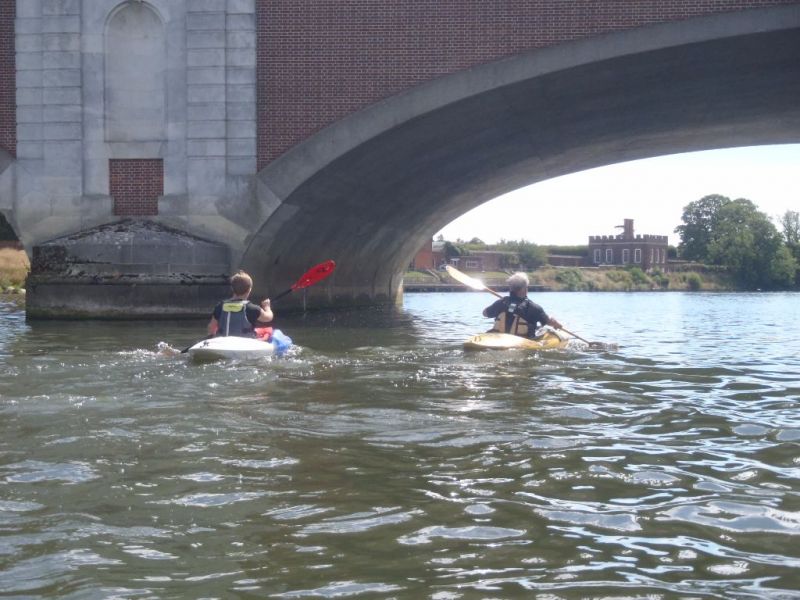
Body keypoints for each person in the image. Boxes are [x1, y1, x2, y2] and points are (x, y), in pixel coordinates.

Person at [483, 272, 562, 338]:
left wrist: (501, 305)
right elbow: (548, 321)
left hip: (498, 339)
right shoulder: (534, 308)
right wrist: (556, 323)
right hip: (523, 343)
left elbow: (485, 313)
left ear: (510, 288)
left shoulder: (500, 303)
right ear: (524, 288)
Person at [207, 270, 273, 337]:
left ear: (232, 288)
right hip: (244, 342)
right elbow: (268, 317)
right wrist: (267, 307)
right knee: (269, 331)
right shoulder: (252, 308)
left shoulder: (220, 306)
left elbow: (211, 328)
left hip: (224, 341)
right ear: (249, 290)